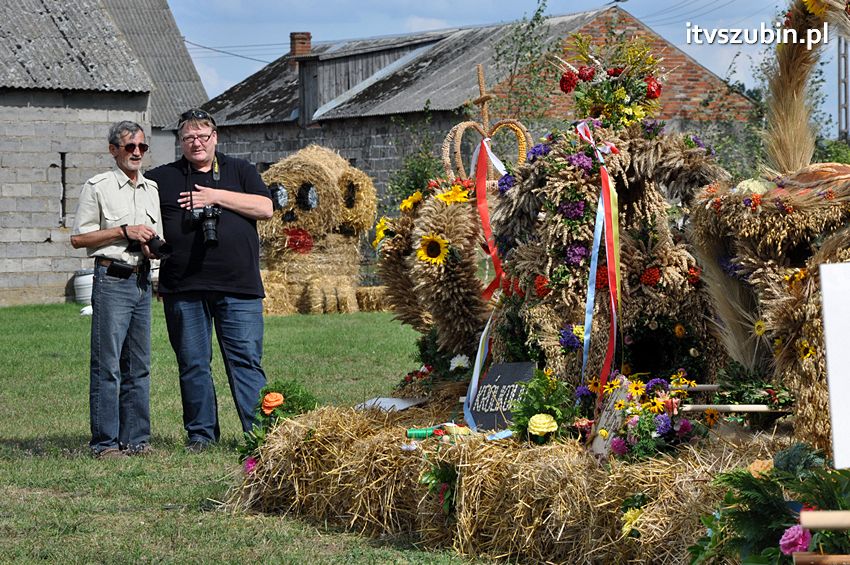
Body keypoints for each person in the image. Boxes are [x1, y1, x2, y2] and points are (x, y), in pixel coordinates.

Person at [146, 109, 273, 451]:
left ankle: (260, 435)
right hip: (184, 287)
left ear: (215, 137)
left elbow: (265, 208)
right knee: (193, 363)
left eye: (203, 136)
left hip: (238, 286)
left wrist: (214, 197)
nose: (196, 143)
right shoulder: (162, 178)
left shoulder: (240, 170)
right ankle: (201, 435)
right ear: (180, 142)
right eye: (189, 138)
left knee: (245, 361)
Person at [70, 121, 161, 459]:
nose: (136, 153)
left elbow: (152, 237)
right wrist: (123, 231)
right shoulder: (98, 187)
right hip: (111, 281)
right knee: (107, 365)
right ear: (114, 150)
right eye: (129, 147)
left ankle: (136, 440)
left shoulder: (151, 189)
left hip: (141, 281)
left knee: (140, 365)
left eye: (142, 147)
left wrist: (154, 250)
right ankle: (105, 443)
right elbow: (79, 238)